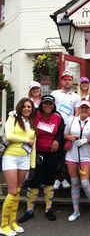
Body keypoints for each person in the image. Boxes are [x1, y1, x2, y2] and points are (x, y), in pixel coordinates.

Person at [18, 95, 64, 223]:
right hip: (35, 153)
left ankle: (48, 209)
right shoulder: (34, 114)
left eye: (50, 104)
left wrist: (57, 140)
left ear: (53, 105)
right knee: (34, 181)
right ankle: (29, 210)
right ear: (42, 104)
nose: (48, 106)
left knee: (49, 180)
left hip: (51, 154)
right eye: (45, 103)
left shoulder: (58, 117)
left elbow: (60, 132)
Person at [0, 98, 36, 236]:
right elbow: (9, 135)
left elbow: (34, 147)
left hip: (25, 159)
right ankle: (3, 225)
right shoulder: (12, 118)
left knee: (18, 191)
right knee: (12, 191)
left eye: (29, 107)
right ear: (20, 107)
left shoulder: (32, 124)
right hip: (10, 157)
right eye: (25, 106)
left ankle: (12, 222)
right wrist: (26, 139)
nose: (27, 109)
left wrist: (32, 165)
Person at [64, 100, 90, 223]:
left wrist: (86, 140)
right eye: (82, 108)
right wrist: (70, 137)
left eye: (87, 108)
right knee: (74, 182)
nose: (84, 110)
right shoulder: (71, 120)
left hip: (86, 156)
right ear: (78, 109)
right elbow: (65, 134)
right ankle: (76, 211)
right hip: (71, 155)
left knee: (85, 183)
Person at [51, 70, 81, 190]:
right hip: (56, 125)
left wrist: (74, 126)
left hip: (68, 127)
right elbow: (50, 108)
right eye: (65, 79)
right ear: (62, 81)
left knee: (66, 152)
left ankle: (62, 177)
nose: (67, 81)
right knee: (55, 152)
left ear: (72, 81)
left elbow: (77, 112)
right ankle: (57, 178)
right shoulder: (55, 93)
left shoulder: (76, 96)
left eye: (69, 79)